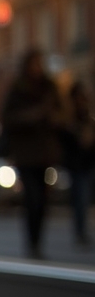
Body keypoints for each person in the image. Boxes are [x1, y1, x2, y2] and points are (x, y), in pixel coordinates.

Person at [0, 49, 63, 259]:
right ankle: (32, 241)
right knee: (32, 197)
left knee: (42, 199)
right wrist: (32, 116)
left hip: (45, 152)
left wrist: (52, 117)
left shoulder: (49, 87)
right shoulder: (18, 88)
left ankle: (37, 240)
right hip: (26, 153)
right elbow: (7, 117)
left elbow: (63, 113)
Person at [62, 81, 94, 248]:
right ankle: (80, 231)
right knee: (80, 198)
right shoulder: (69, 118)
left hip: (87, 162)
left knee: (84, 198)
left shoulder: (87, 116)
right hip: (76, 164)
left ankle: (81, 231)